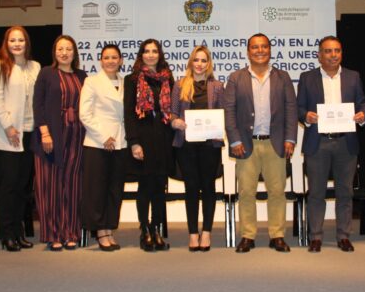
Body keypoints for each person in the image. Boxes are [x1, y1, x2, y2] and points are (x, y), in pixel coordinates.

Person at [225, 33, 297, 253]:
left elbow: (291, 109)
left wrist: (290, 138)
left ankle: (277, 235)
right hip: (246, 145)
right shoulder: (236, 78)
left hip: (275, 143)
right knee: (246, 192)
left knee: (277, 191)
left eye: (264, 46)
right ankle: (248, 236)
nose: (260, 51)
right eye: (255, 47)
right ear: (248, 51)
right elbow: (229, 111)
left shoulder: (282, 77)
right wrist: (234, 139)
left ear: (269, 50)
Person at [298, 36, 365, 253]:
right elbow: (299, 107)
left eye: (337, 50)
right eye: (328, 51)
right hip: (318, 142)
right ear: (319, 55)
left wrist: (362, 115)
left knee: (345, 192)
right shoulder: (307, 78)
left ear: (341, 53)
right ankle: (316, 237)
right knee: (316, 192)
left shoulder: (353, 77)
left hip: (345, 142)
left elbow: (363, 103)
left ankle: (343, 236)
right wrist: (306, 116)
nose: (333, 55)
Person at [0, 26, 41, 252]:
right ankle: (7, 235)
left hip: (29, 132)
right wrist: (9, 127)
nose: (17, 44)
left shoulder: (35, 66)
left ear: (27, 43)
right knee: (8, 187)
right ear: (6, 43)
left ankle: (18, 233)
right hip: (8, 134)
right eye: (12, 40)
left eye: (21, 40)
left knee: (22, 187)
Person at [32, 35, 86, 251]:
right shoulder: (46, 73)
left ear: (75, 52)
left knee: (73, 186)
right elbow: (37, 105)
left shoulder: (82, 76)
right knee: (50, 186)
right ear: (54, 52)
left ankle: (71, 232)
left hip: (76, 137)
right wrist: (45, 133)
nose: (64, 53)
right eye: (60, 49)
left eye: (68, 49)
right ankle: (53, 234)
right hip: (51, 136)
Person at [171, 46, 224, 252]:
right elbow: (173, 113)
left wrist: (220, 126)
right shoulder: (180, 85)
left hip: (210, 145)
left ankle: (207, 232)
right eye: (196, 60)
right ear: (191, 62)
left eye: (203, 60)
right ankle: (193, 233)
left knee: (209, 188)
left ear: (208, 63)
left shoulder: (217, 86)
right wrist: (175, 122)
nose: (200, 64)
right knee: (191, 188)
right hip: (187, 146)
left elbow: (223, 113)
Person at [123, 39, 174, 252]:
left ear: (159, 54)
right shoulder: (132, 79)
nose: (151, 55)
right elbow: (129, 114)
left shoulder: (167, 79)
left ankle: (156, 229)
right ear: (141, 55)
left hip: (163, 139)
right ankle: (144, 230)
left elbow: (172, 110)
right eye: (147, 51)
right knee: (145, 186)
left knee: (160, 187)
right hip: (142, 139)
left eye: (154, 51)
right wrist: (134, 142)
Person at [80, 44, 127, 252]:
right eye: (106, 57)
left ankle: (109, 228)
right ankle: (100, 230)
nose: (110, 61)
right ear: (100, 60)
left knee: (114, 189)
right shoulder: (92, 82)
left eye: (114, 57)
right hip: (98, 143)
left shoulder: (125, 82)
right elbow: (84, 114)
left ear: (121, 60)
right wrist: (102, 136)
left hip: (120, 142)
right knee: (97, 189)